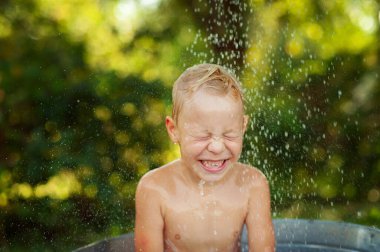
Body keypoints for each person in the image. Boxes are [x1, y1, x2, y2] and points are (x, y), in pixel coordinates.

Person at [134, 63, 275, 252]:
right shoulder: (155, 188)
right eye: (202, 135)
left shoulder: (252, 184)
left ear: (243, 127)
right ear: (174, 130)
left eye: (229, 135)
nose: (217, 147)